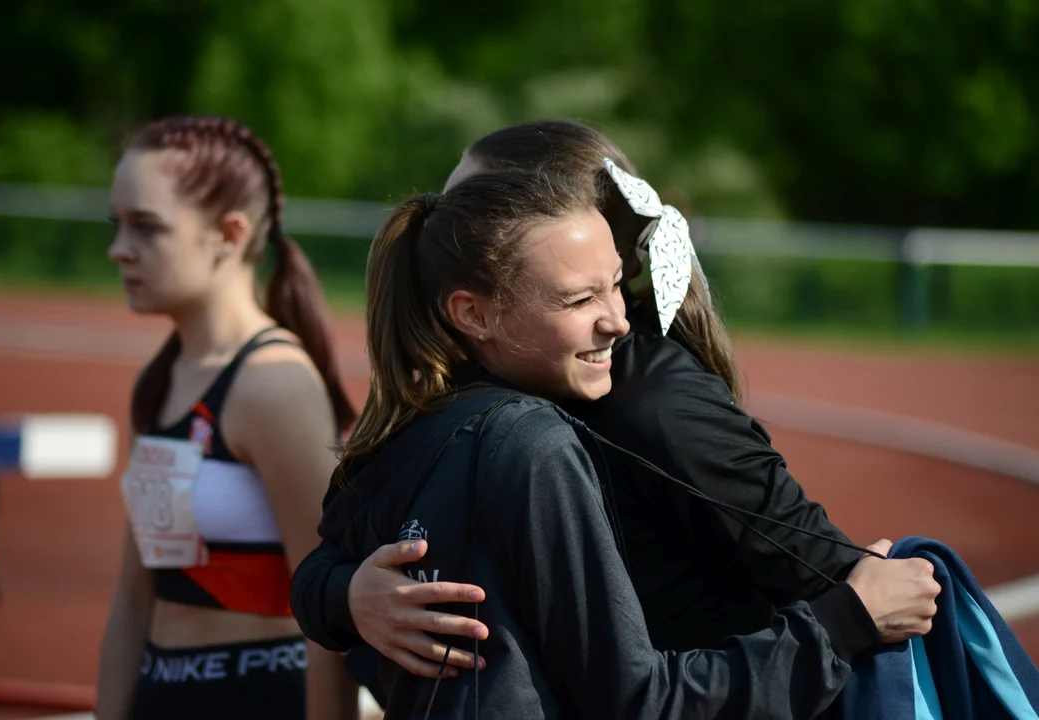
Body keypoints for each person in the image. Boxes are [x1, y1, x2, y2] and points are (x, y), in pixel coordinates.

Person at [290, 120, 941, 696]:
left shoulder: (651, 404)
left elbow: (828, 575)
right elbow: (334, 543)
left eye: (473, 199)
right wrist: (350, 596)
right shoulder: (463, 388)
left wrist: (856, 610)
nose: (452, 222)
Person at [95, 115, 359, 720]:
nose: (118, 249)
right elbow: (133, 602)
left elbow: (328, 607)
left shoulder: (275, 385)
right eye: (118, 224)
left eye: (146, 227)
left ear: (229, 234)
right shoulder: (160, 380)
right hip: (160, 693)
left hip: (261, 699)